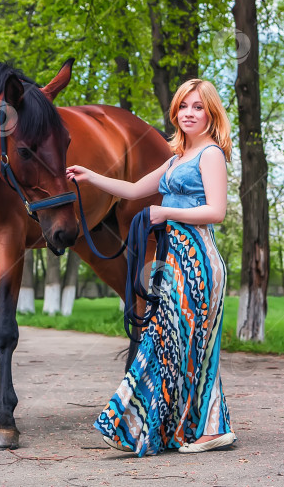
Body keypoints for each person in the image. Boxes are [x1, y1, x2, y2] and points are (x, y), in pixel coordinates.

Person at [65, 79, 236, 456]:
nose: (189, 113)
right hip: (174, 260)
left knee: (188, 346)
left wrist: (166, 211)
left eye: (198, 107)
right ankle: (166, 426)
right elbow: (131, 189)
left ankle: (188, 428)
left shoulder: (211, 155)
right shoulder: (176, 159)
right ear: (175, 112)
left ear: (211, 114)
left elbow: (217, 212)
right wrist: (90, 176)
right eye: (184, 107)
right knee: (167, 342)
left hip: (199, 261)